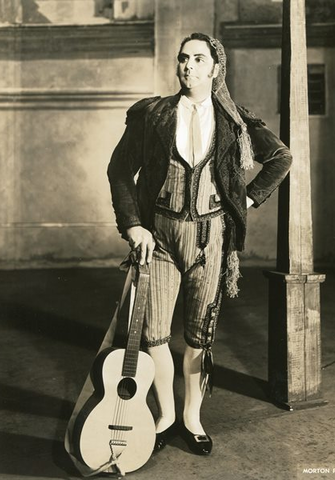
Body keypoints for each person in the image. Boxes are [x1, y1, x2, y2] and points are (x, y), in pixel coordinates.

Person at [107, 32, 292, 456]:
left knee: (198, 337)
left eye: (197, 59)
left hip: (211, 242)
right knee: (154, 336)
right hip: (160, 241)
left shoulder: (233, 120)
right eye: (182, 59)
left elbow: (281, 157)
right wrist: (134, 226)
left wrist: (243, 201)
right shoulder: (153, 115)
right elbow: (119, 171)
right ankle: (165, 415)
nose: (187, 66)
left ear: (215, 68)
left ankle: (192, 417)